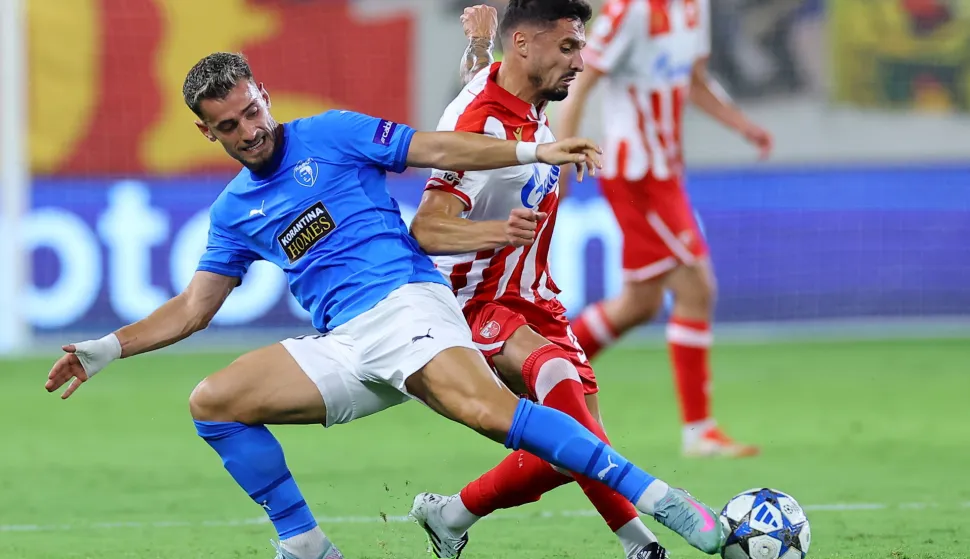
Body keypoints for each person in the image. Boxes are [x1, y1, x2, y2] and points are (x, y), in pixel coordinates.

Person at [44, 52, 726, 559]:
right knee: (213, 402)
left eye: (253, 111)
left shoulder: (332, 135)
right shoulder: (234, 212)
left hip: (408, 305)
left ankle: (661, 499)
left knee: (498, 418)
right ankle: (307, 544)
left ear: (265, 96)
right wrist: (106, 348)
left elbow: (431, 146)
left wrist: (531, 147)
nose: (250, 130)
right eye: (230, 125)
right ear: (207, 133)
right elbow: (194, 308)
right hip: (343, 343)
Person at [407, 3, 722, 558]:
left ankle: (449, 515)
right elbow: (427, 228)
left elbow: (481, 74)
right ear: (525, 45)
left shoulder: (521, 91)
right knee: (556, 382)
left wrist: (480, 43)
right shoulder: (477, 124)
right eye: (569, 48)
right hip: (472, 299)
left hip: (535, 297)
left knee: (571, 449)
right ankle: (643, 541)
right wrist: (497, 231)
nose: (580, 62)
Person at [557, 0, 773, 458]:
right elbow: (579, 84)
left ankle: (544, 372)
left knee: (639, 303)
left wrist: (742, 125)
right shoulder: (628, 10)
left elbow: (694, 80)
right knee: (697, 286)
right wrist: (560, 159)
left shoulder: (694, 8)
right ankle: (699, 432)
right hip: (635, 174)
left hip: (666, 173)